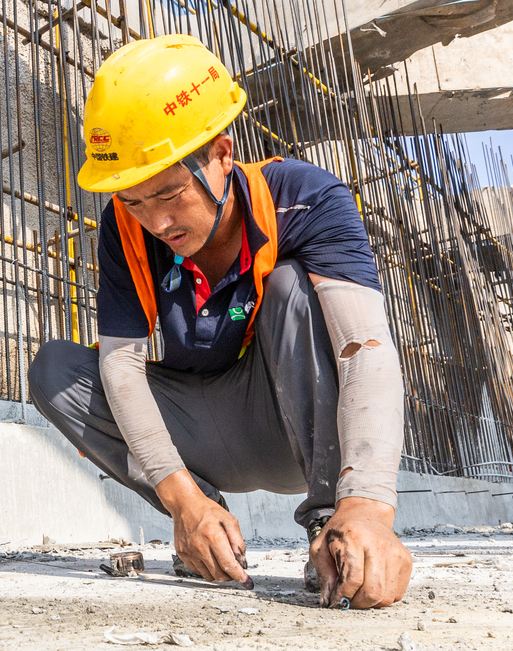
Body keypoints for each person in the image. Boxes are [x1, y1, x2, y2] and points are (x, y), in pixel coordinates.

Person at [28, 35, 413, 609]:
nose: (156, 221)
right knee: (56, 371)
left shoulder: (306, 201)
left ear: (222, 156)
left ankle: (334, 527)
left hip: (290, 421)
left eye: (170, 195)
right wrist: (183, 501)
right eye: (134, 201)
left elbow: (366, 348)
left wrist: (370, 502)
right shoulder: (125, 227)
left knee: (289, 288)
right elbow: (124, 369)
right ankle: (209, 528)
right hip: (199, 427)